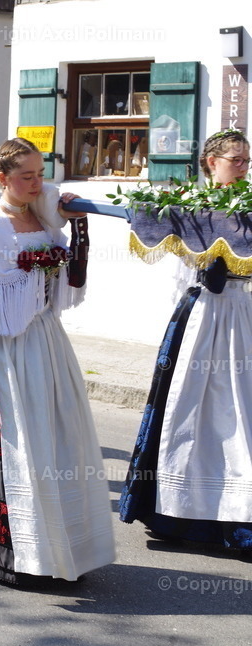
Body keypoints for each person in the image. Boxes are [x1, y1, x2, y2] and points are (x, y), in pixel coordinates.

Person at [0, 138, 115, 585]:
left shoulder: (43, 217)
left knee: (59, 440)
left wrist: (78, 226)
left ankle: (63, 550)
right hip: (8, 349)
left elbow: (74, 276)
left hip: (46, 341)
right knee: (22, 447)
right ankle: (20, 552)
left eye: (40, 174)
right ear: (2, 178)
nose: (36, 182)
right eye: (27, 175)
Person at [119, 128, 252, 553]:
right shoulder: (189, 209)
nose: (245, 166)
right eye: (237, 159)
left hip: (242, 314)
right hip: (202, 317)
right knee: (189, 408)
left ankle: (235, 512)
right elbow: (179, 267)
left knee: (237, 412)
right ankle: (176, 513)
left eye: (248, 160)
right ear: (212, 161)